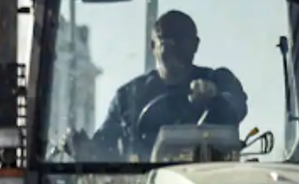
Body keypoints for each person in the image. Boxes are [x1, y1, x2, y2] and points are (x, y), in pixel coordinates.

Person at [73, 10, 249, 161]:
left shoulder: (219, 80)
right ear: (153, 46)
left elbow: (237, 105)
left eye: (183, 41)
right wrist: (84, 149)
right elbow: (104, 147)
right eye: (167, 42)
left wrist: (215, 97)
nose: (176, 49)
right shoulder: (128, 97)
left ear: (195, 45)